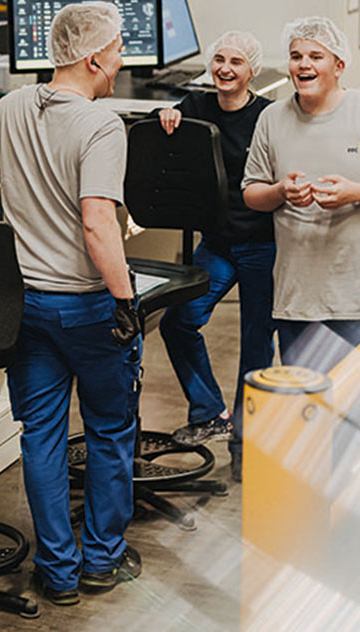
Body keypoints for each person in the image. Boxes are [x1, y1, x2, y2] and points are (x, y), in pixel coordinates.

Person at [0, 1, 142, 606]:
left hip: (26, 308)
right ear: (93, 59)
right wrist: (126, 300)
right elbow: (97, 221)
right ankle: (101, 562)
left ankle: (58, 571)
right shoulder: (101, 127)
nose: (121, 62)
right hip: (88, 308)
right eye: (117, 51)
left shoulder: (10, 108)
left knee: (41, 437)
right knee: (110, 430)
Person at [242, 16, 360, 369]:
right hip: (299, 298)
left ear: (339, 66)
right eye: (296, 56)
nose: (304, 65)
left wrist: (356, 192)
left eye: (316, 56)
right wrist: (281, 191)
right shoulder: (272, 118)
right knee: (310, 398)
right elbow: (252, 192)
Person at [148, 31, 275, 481]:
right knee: (178, 323)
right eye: (219, 59)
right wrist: (165, 114)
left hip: (263, 244)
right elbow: (162, 123)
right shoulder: (196, 106)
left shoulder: (268, 116)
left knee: (256, 344)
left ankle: (246, 441)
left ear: (252, 71)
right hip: (217, 244)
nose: (225, 68)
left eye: (236, 62)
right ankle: (209, 412)